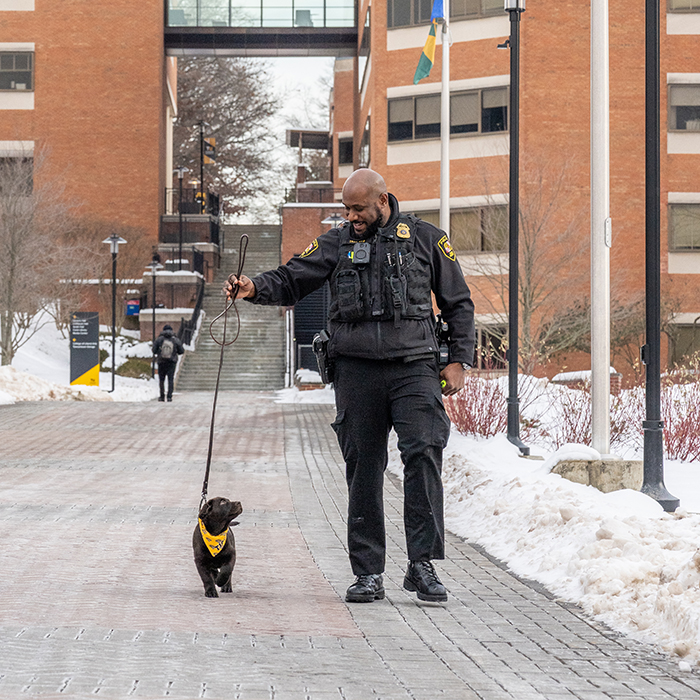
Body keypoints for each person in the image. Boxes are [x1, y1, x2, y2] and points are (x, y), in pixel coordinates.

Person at [226, 169, 475, 603]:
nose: (351, 216)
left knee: (422, 455)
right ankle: (368, 573)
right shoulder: (338, 242)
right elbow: (291, 278)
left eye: (358, 208)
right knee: (363, 470)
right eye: (346, 209)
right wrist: (252, 289)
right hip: (357, 371)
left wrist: (458, 360)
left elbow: (459, 301)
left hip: (414, 366)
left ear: (382, 201)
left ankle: (422, 564)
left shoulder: (426, 238)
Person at [152, 324, 184, 402]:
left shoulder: (159, 339)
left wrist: (159, 352)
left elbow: (154, 350)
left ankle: (162, 396)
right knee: (170, 379)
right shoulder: (175, 340)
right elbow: (181, 351)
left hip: (161, 362)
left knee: (161, 380)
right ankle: (169, 396)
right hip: (171, 362)